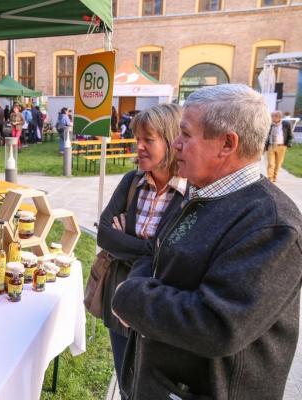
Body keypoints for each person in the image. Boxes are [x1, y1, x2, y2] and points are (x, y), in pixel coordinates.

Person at [112, 84, 302, 399]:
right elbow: (155, 255)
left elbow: (217, 325)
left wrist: (131, 297)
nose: (175, 144)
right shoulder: (203, 194)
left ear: (227, 144)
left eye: (186, 134)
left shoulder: (272, 225)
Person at [97, 103, 187, 395]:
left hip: (157, 307)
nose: (139, 147)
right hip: (120, 295)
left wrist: (134, 243)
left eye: (148, 140)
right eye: (137, 139)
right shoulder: (132, 182)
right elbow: (104, 234)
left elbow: (175, 254)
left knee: (151, 389)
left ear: (172, 139)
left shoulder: (190, 194)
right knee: (125, 383)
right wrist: (150, 248)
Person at [265, 110, 293, 182]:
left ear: (278, 117)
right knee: (271, 163)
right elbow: (266, 136)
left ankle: (275, 176)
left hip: (281, 146)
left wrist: (288, 144)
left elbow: (290, 135)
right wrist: (265, 146)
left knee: (278, 163)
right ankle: (270, 178)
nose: (271, 118)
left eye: (272, 116)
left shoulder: (286, 124)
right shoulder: (270, 125)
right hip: (271, 146)